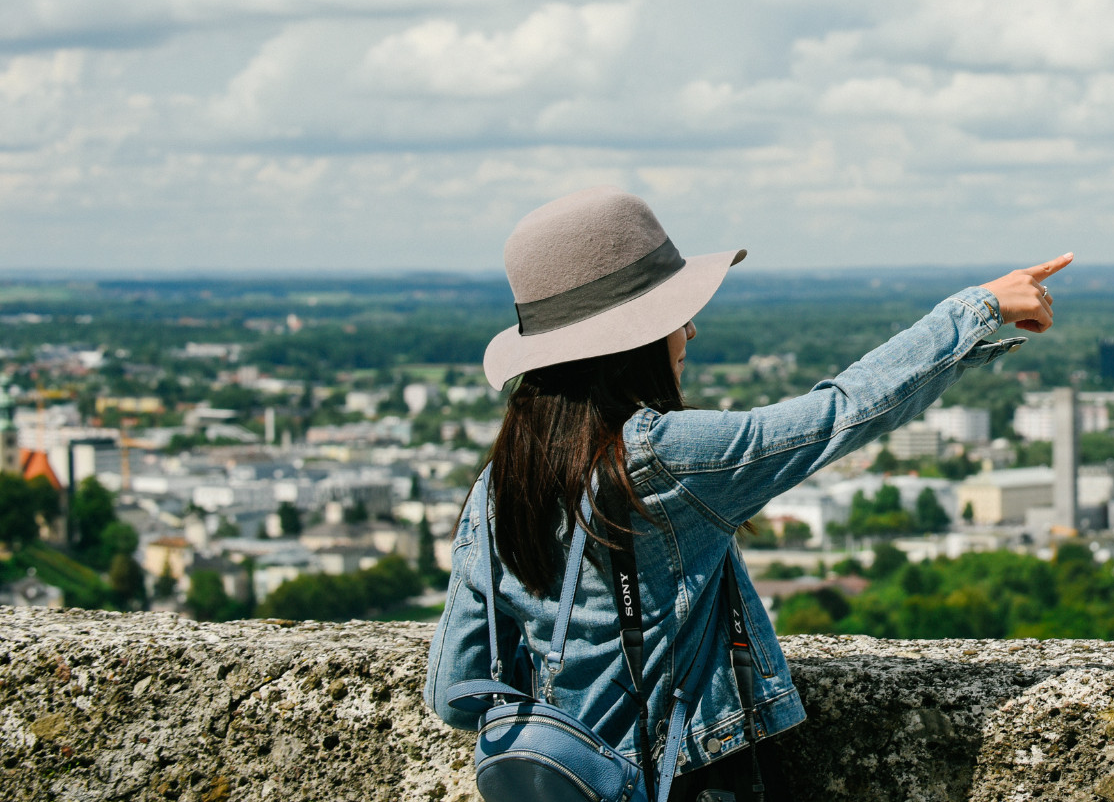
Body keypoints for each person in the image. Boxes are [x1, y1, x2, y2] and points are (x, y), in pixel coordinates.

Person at [424, 184, 1069, 800]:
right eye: (675, 315)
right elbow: (842, 413)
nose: (691, 333)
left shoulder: (498, 484)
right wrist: (976, 308)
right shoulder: (660, 458)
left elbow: (455, 687)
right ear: (632, 341)